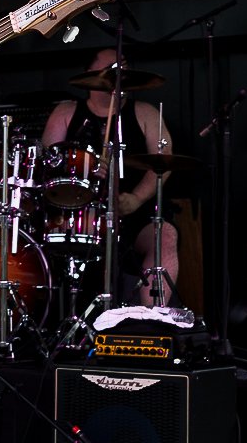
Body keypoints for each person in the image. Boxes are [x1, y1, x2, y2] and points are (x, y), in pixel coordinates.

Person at [41, 47, 179, 306]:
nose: (120, 74)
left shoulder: (145, 113)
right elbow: (48, 164)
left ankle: (153, 316)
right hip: (80, 215)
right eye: (112, 69)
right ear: (91, 73)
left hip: (134, 213)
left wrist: (136, 199)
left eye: (124, 68)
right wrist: (84, 168)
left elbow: (164, 162)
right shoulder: (66, 112)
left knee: (165, 236)